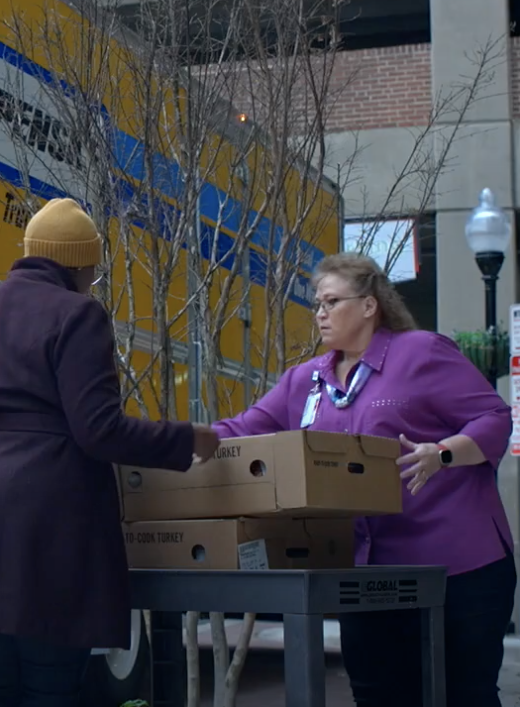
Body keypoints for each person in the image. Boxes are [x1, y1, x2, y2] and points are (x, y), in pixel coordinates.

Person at [0, 197, 220, 707]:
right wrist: (186, 440)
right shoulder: (79, 315)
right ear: (78, 265)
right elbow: (97, 429)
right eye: (93, 270)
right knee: (49, 688)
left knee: (0, 689)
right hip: (43, 524)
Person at [211, 252, 515, 707]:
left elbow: (493, 417)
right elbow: (244, 428)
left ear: (370, 305)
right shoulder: (307, 380)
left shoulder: (421, 352)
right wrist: (178, 442)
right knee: (376, 694)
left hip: (458, 568)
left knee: (462, 694)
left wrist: (443, 452)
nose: (320, 313)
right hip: (369, 575)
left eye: (332, 301)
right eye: (317, 303)